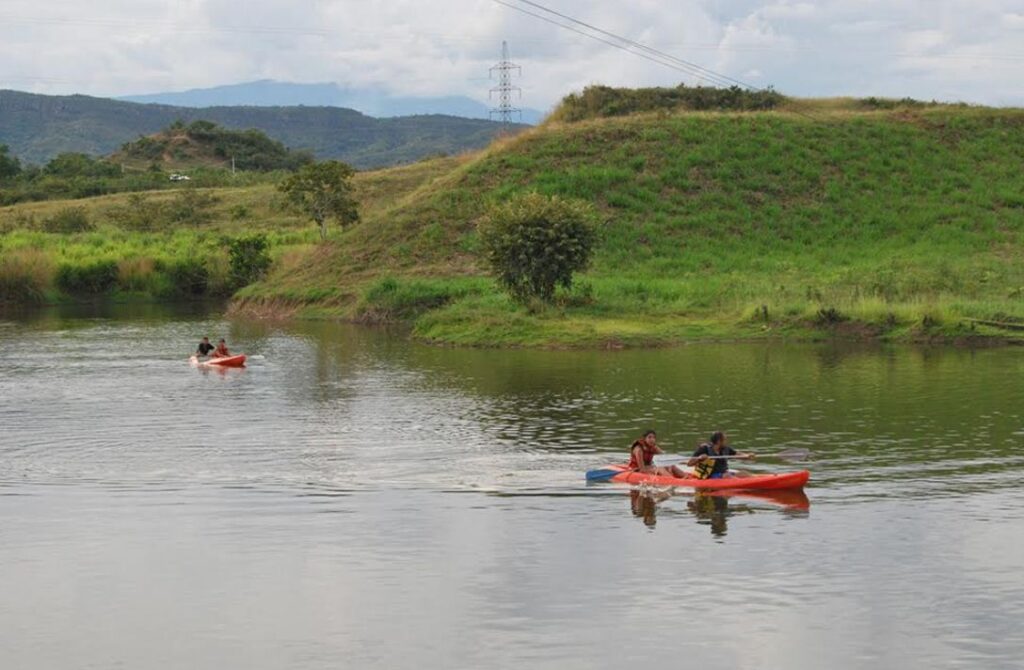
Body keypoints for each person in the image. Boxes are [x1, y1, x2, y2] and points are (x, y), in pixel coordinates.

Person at [688, 431, 755, 479]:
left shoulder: (726, 449)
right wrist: (699, 459)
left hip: (724, 474)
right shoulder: (704, 449)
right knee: (727, 476)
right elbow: (689, 463)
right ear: (718, 441)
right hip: (709, 476)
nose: (726, 441)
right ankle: (742, 484)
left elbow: (738, 454)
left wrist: (747, 456)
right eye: (725, 440)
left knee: (744, 473)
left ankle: (754, 481)